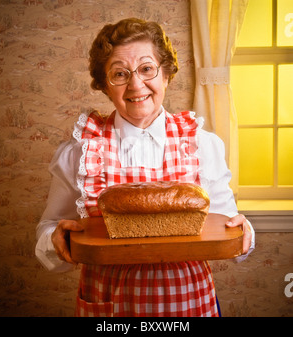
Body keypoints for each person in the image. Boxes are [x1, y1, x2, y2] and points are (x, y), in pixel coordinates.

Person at [35, 18, 255, 317]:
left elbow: (228, 227)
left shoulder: (202, 144)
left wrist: (244, 231)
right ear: (104, 85)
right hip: (109, 304)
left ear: (166, 75)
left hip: (187, 303)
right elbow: (48, 229)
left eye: (147, 69)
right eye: (120, 74)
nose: (136, 85)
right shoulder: (81, 151)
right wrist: (54, 239)